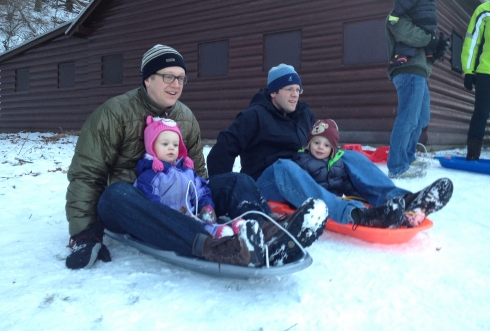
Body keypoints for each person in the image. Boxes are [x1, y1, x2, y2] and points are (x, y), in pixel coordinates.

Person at [65, 44, 308, 270]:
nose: (176, 84)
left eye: (181, 78)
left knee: (236, 180)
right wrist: (84, 233)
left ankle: (270, 236)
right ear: (147, 79)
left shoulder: (185, 116)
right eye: (168, 76)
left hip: (182, 198)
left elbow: (198, 173)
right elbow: (87, 174)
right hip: (136, 204)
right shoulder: (114, 113)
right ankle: (217, 246)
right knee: (116, 194)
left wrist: (207, 205)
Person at [207, 64, 454, 232]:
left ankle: (402, 200)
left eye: (297, 89)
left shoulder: (304, 114)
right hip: (267, 181)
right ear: (273, 92)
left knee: (349, 156)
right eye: (289, 90)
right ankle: (354, 215)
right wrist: (220, 192)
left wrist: (333, 159)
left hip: (306, 172)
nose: (295, 95)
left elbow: (321, 142)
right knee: (283, 166)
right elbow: (223, 148)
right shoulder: (254, 116)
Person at [385, 0, 450, 179]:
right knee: (408, 118)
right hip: (407, 71)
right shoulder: (397, 18)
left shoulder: (416, 20)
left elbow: (423, 55)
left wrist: (436, 51)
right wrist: (431, 38)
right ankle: (396, 167)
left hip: (418, 73)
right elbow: (416, 37)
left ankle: (408, 156)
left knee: (421, 118)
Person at [134, 116, 236, 238]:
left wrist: (206, 206)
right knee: (193, 229)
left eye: (175, 145)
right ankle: (213, 239)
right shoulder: (149, 177)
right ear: (152, 147)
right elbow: (150, 203)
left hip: (191, 216)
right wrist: (174, 215)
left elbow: (201, 191)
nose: (171, 147)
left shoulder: (187, 172)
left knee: (206, 225)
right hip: (167, 223)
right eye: (165, 144)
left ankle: (235, 233)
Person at [291, 119, 362, 200]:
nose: (321, 147)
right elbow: (303, 184)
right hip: (315, 200)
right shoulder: (304, 161)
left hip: (336, 199)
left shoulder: (337, 162)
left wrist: (356, 197)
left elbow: (346, 183)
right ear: (309, 144)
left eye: (326, 145)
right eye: (316, 143)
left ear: (332, 149)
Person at [388, 0, 439, 66]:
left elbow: (403, 5)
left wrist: (394, 15)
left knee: (405, 40)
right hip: (432, 23)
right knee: (430, 35)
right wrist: (431, 40)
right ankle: (430, 53)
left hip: (421, 20)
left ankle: (402, 55)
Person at [461, 1, 490, 160]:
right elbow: (472, 42)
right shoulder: (484, 10)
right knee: (482, 112)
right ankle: (472, 155)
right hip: (486, 71)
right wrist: (468, 70)